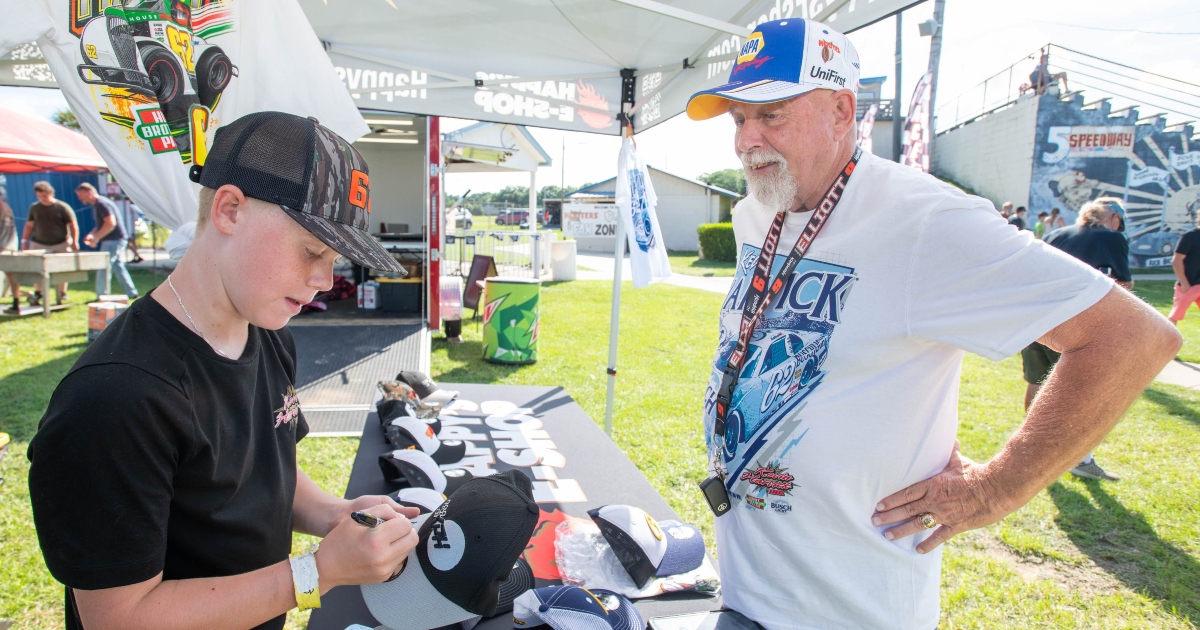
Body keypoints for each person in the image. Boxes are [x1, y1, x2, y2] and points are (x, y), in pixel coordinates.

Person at [685, 18, 1178, 629]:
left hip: (849, 610)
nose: (746, 141)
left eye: (773, 115)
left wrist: (996, 488)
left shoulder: (925, 221)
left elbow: (1132, 338)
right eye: (738, 118)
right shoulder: (758, 214)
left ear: (841, 111)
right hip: (747, 590)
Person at [28, 112, 418, 630]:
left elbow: (261, 471)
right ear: (230, 210)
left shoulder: (267, 332)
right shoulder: (117, 396)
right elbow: (119, 619)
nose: (326, 280)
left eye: (337, 259)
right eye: (312, 251)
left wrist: (331, 514)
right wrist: (317, 574)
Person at [1027, 198, 1132, 481]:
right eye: (1120, 219)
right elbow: (1124, 284)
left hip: (1035, 319)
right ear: (1112, 218)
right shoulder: (1111, 237)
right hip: (1076, 324)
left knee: (1037, 383)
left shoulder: (1054, 234)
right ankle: (1080, 458)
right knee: (1081, 393)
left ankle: (1030, 450)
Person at [76, 182, 139, 299]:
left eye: (81, 195)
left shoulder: (102, 204)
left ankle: (101, 295)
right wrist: (92, 234)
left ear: (89, 192)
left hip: (114, 239)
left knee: (104, 265)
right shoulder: (98, 204)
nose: (79, 198)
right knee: (117, 266)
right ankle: (132, 293)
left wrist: (96, 238)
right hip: (114, 239)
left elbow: (110, 223)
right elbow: (102, 224)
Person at [21, 180, 79, 306]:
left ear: (50, 193)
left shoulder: (61, 207)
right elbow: (29, 225)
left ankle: (62, 292)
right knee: (37, 268)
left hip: (60, 242)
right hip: (39, 243)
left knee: (62, 268)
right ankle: (38, 292)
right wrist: (24, 241)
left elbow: (73, 225)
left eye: (44, 195)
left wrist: (74, 241)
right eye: (39, 196)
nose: (42, 198)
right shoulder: (35, 208)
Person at [1169, 209, 1200, 324]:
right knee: (1174, 318)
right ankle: (1166, 341)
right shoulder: (1190, 237)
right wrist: (1184, 283)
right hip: (1188, 286)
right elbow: (1176, 261)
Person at [0, 194, 18, 309]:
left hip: (4, 245)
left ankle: (16, 302)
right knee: (11, 275)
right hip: (7, 245)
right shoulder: (6, 207)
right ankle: (15, 301)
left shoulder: (3, 209)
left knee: (11, 275)